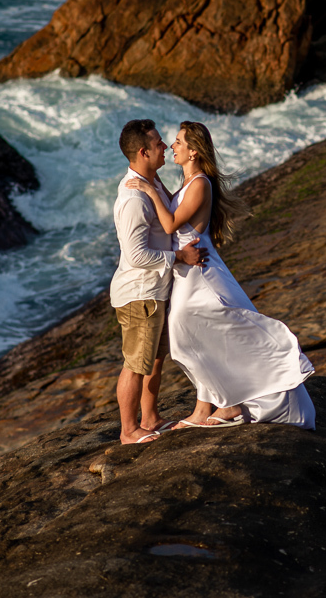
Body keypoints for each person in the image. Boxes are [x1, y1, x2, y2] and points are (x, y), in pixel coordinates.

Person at [127, 121, 316, 430]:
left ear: (194, 152)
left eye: (177, 142)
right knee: (189, 336)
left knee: (186, 332)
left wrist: (148, 188)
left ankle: (223, 406)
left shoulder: (200, 182)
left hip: (201, 273)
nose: (172, 146)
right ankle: (214, 406)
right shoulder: (188, 182)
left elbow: (173, 223)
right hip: (189, 271)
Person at [110, 119, 206, 444]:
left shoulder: (151, 183)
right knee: (136, 364)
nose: (165, 147)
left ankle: (149, 418)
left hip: (154, 291)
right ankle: (128, 430)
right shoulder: (134, 199)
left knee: (153, 358)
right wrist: (178, 258)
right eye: (159, 143)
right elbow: (137, 256)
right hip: (140, 294)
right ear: (143, 151)